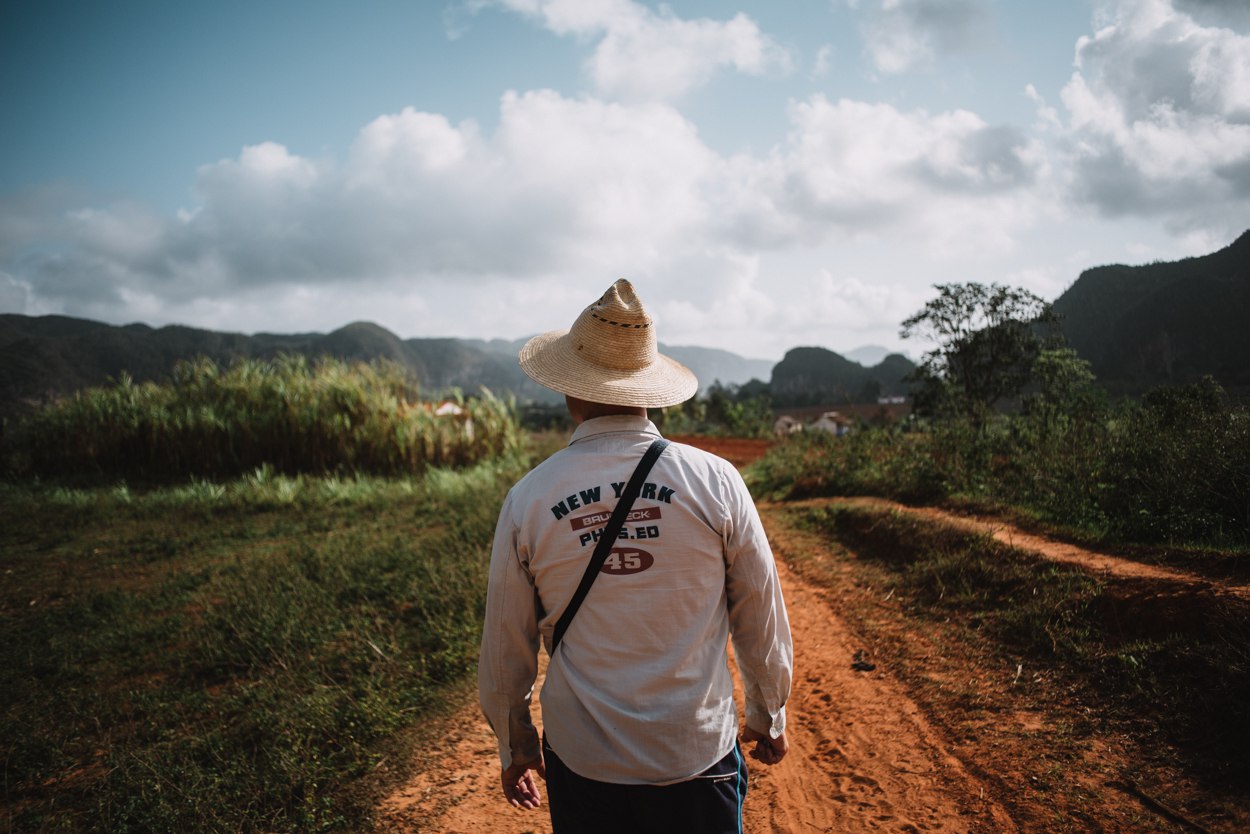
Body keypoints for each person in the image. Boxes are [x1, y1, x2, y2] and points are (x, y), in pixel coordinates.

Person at [478, 279, 793, 834]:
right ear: (650, 388)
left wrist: (516, 746)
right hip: (695, 752)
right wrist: (769, 714)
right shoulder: (715, 481)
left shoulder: (530, 498)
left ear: (569, 391)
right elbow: (759, 612)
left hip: (585, 762)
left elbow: (506, 644)